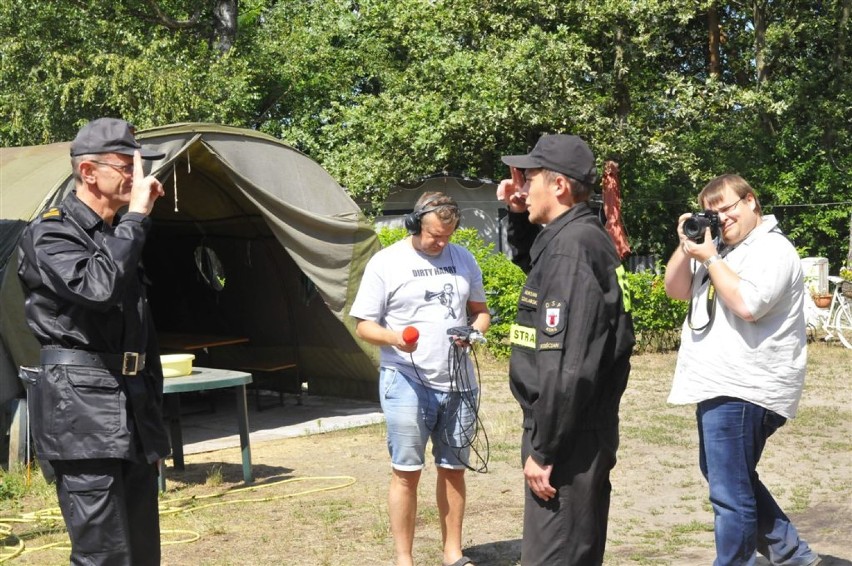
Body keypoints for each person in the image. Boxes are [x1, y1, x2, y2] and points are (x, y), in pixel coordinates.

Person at [17, 117, 171, 565]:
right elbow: (97, 289)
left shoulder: (118, 235)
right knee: (104, 555)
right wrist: (137, 219)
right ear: (88, 172)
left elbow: (141, 334)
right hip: (81, 415)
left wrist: (154, 423)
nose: (139, 178)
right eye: (127, 166)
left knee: (142, 553)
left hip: (131, 408)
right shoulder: (50, 232)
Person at [664, 174, 821, 566]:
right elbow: (675, 289)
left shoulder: (772, 249)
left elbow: (749, 305)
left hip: (747, 385)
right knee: (729, 477)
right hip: (720, 382)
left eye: (728, 208)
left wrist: (711, 258)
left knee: (729, 491)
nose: (721, 218)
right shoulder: (717, 251)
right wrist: (687, 247)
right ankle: (791, 553)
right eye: (711, 213)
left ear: (751, 202)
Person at [496, 134, 635, 565]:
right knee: (572, 549)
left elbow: (569, 367)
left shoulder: (573, 250)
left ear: (558, 185)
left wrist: (545, 448)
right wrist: (517, 215)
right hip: (574, 428)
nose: (521, 185)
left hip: (568, 437)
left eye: (530, 176)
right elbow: (536, 264)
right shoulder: (576, 239)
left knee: (555, 555)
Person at [350, 192, 491, 566]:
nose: (441, 243)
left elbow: (480, 312)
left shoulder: (463, 259)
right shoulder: (386, 262)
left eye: (447, 235)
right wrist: (396, 338)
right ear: (415, 225)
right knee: (407, 472)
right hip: (406, 380)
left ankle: (453, 554)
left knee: (453, 469)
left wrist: (474, 330)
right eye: (433, 235)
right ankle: (404, 558)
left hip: (459, 382)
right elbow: (364, 325)